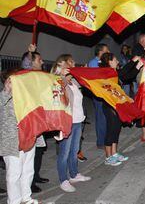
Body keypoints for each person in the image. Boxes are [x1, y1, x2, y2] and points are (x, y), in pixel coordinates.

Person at [51, 54, 91, 193]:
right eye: (69, 63)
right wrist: (62, 73)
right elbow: (56, 80)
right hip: (67, 122)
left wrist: (83, 73)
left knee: (74, 150)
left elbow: (86, 83)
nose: (72, 65)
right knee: (64, 152)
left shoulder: (73, 81)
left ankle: (74, 174)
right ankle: (63, 180)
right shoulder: (59, 81)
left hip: (78, 120)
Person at [1, 68, 39, 204]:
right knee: (14, 173)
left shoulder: (27, 96)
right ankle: (14, 201)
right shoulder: (3, 96)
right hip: (12, 141)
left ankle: (26, 197)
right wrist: (6, 91)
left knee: (28, 170)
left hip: (29, 138)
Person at [99, 53, 142, 166]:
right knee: (111, 130)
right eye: (115, 60)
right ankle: (108, 157)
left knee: (117, 129)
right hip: (109, 106)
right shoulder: (106, 73)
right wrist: (133, 61)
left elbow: (126, 76)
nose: (117, 61)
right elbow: (122, 72)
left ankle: (114, 153)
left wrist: (137, 67)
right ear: (109, 62)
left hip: (117, 105)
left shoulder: (115, 73)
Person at [20, 44, 48, 194]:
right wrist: (30, 54)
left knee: (38, 151)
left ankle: (35, 176)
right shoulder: (27, 74)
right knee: (29, 153)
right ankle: (28, 184)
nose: (42, 62)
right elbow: (25, 65)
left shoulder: (41, 76)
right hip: (30, 120)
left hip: (39, 119)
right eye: (39, 60)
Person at [88, 44, 110, 149]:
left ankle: (105, 139)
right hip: (98, 94)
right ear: (100, 52)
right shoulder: (93, 63)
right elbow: (96, 79)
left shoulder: (103, 62)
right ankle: (101, 141)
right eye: (106, 50)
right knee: (101, 118)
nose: (109, 51)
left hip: (105, 93)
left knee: (105, 117)